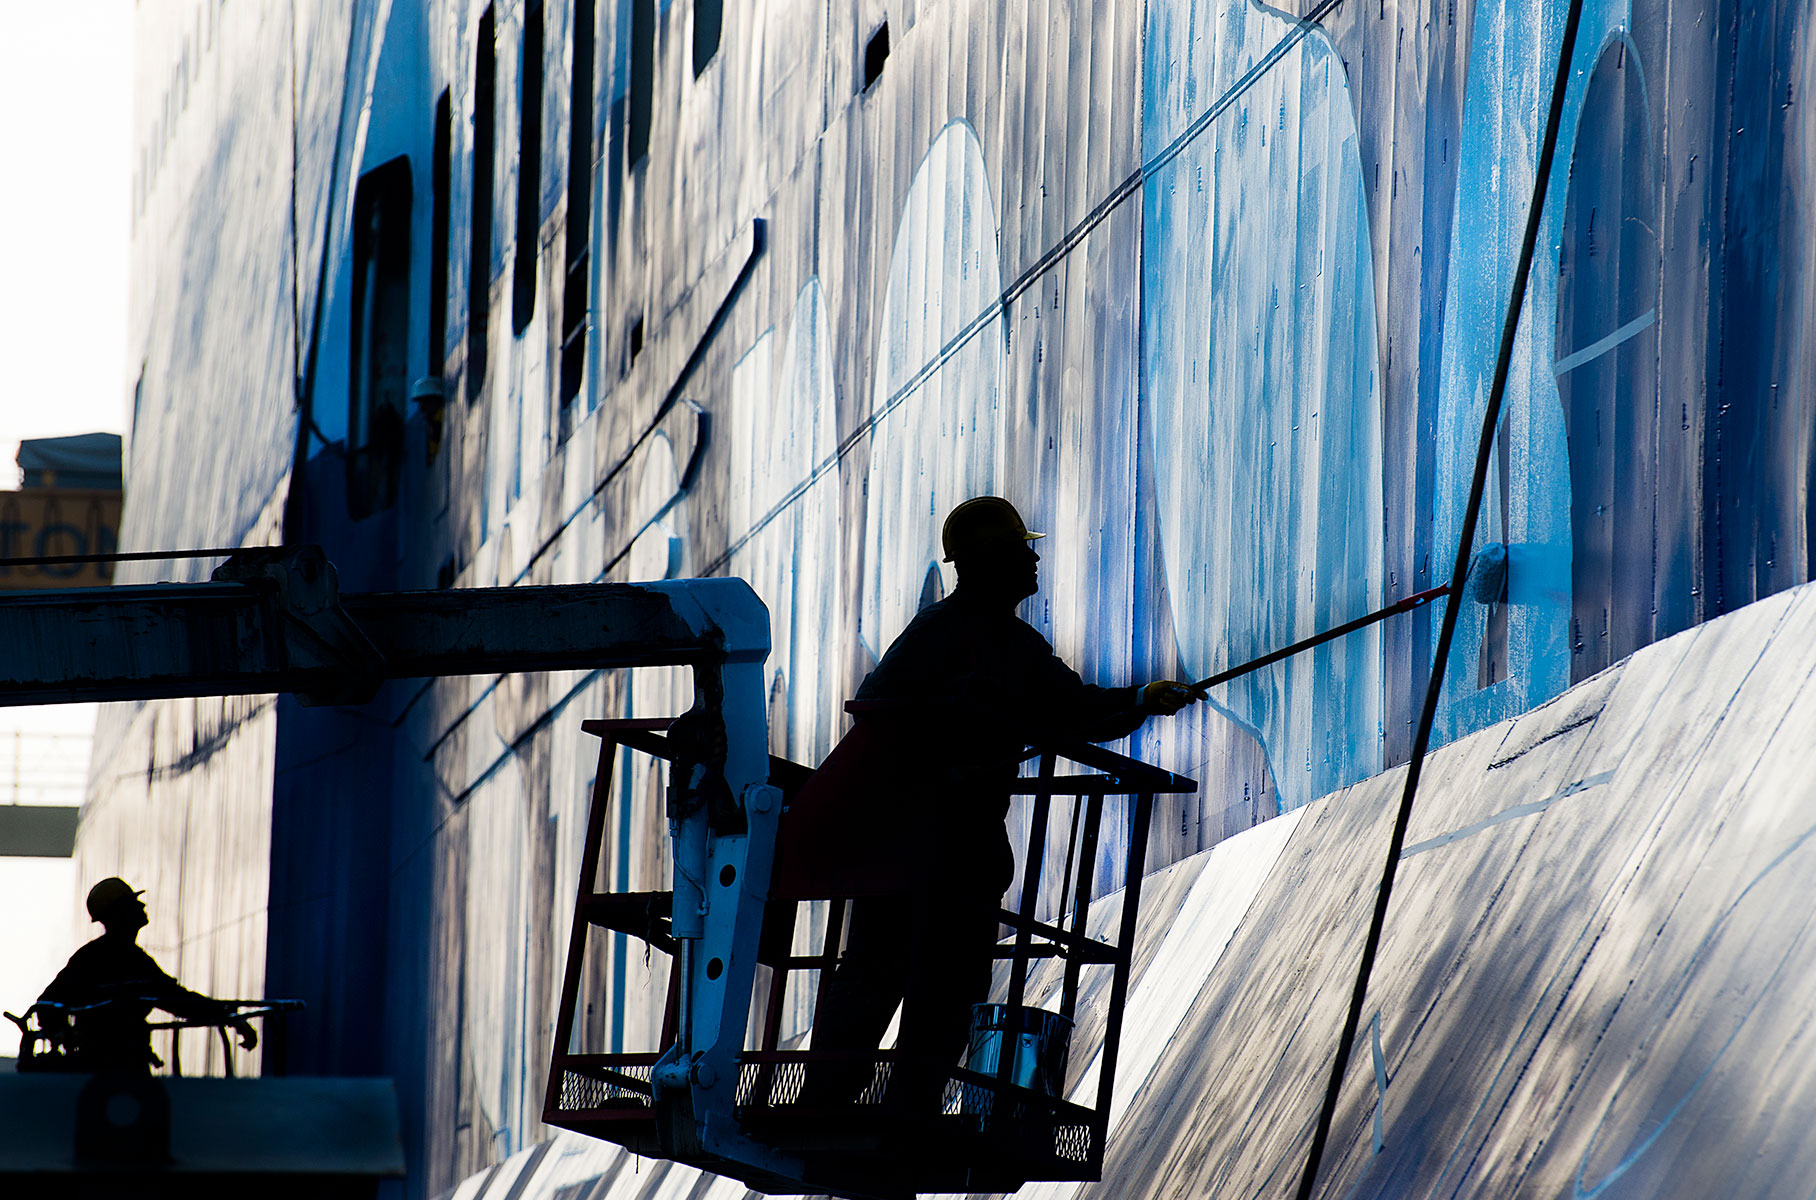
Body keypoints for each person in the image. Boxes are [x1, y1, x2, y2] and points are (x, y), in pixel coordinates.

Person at [809, 496, 1200, 1110]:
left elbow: (1070, 710)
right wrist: (955, 736)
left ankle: (868, 1111)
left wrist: (1140, 700)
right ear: (990, 560)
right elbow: (881, 713)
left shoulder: (1005, 643)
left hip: (931, 853)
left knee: (922, 986)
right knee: (903, 981)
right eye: (1022, 549)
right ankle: (848, 1108)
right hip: (929, 850)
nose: (1034, 559)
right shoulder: (950, 635)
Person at [36, 877, 257, 1073]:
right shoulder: (93, 960)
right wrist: (62, 1032)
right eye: (133, 903)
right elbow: (47, 1005)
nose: (142, 905)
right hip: (103, 1068)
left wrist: (228, 1016)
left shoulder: (131, 959)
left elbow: (177, 999)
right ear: (117, 914)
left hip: (126, 1065)